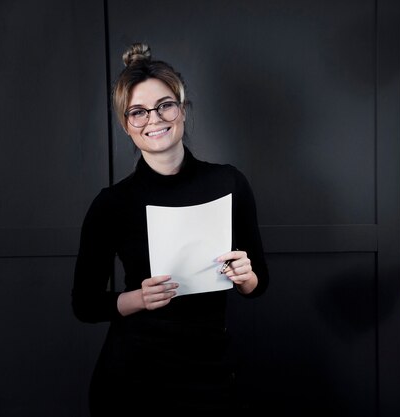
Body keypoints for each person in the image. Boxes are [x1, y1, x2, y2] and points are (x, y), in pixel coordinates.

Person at [71, 42, 269, 416]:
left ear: (181, 109)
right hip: (133, 378)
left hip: (210, 371)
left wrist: (247, 277)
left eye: (165, 105)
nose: (154, 119)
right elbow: (84, 303)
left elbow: (260, 285)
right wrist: (137, 299)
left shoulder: (228, 182)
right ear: (126, 125)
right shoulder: (112, 203)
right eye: (138, 113)